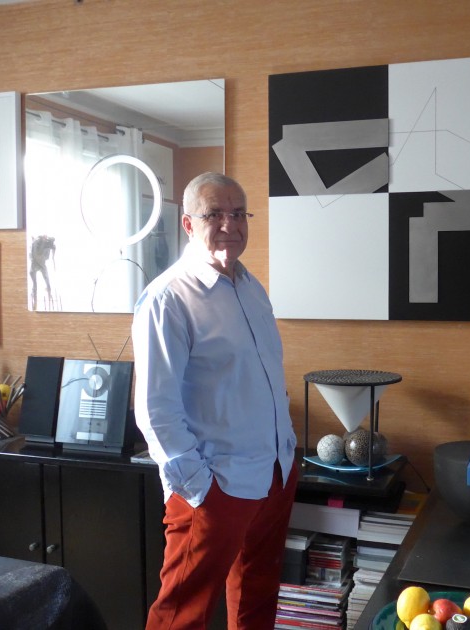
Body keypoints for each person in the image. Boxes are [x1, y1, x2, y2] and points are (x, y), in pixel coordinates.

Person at [132, 172, 298, 630]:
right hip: (215, 485)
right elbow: (154, 409)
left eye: (239, 213)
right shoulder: (168, 299)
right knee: (182, 613)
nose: (231, 223)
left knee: (257, 599)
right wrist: (200, 488)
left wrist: (286, 453)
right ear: (188, 224)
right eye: (215, 214)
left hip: (274, 472)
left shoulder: (251, 287)